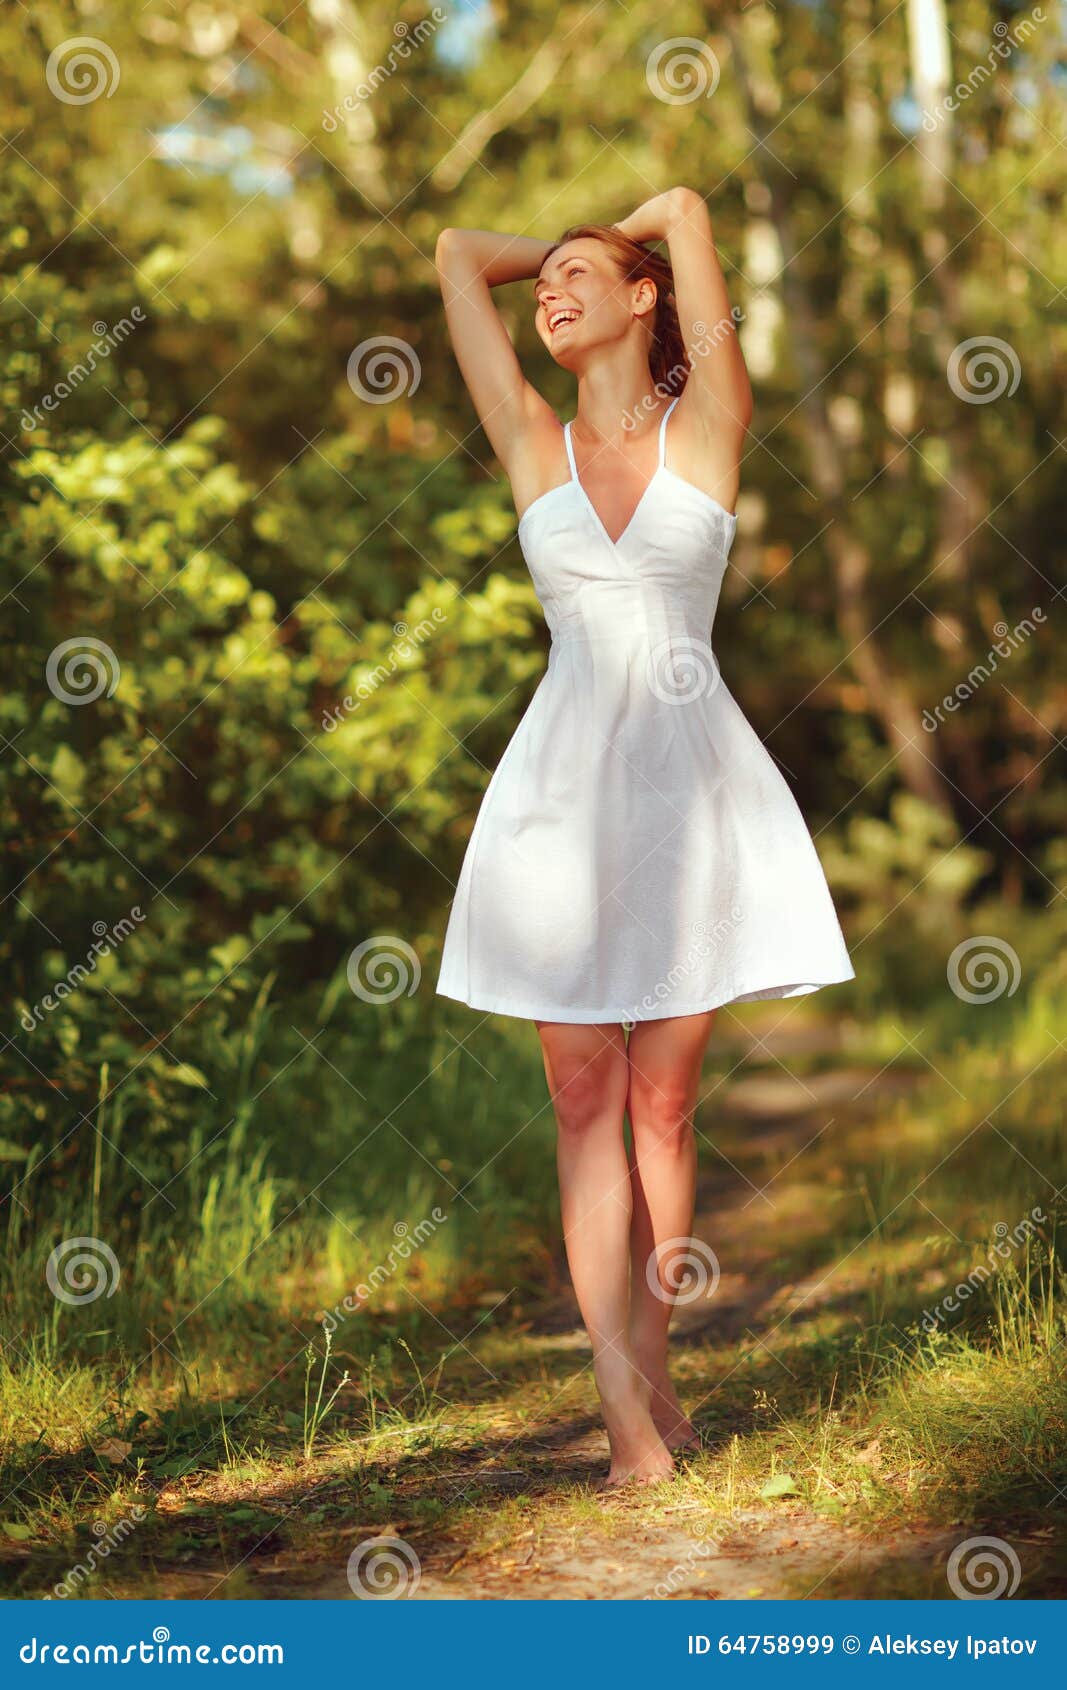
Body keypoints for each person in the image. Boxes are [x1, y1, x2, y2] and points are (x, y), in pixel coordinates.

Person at [433, 188, 854, 1487]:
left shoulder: (708, 425)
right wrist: (570, 242)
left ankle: (657, 1352)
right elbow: (456, 256)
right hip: (560, 800)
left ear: (647, 296)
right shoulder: (529, 434)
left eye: (576, 280)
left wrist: (658, 219)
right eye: (540, 284)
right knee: (582, 1096)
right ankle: (623, 1413)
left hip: (691, 788)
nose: (546, 293)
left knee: (665, 1108)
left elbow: (683, 224)